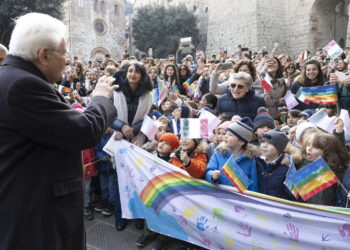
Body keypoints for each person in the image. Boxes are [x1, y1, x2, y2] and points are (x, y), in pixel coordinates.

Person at [0, 13, 118, 250]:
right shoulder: (23, 85)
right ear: (44, 55)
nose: (67, 61)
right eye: (64, 53)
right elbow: (83, 131)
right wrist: (100, 99)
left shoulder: (12, 77)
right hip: (39, 215)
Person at [205, 118, 259, 191]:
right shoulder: (218, 153)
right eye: (226, 133)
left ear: (241, 142)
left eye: (230, 135)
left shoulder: (250, 158)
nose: (225, 136)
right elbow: (208, 171)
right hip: (220, 196)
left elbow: (253, 184)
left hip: (240, 199)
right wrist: (212, 175)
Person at [256, 130, 295, 200]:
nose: (264, 145)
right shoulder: (257, 162)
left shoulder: (287, 167)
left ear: (279, 148)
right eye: (263, 142)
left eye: (270, 143)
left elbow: (291, 194)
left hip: (277, 207)